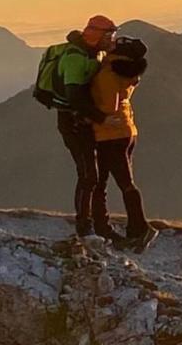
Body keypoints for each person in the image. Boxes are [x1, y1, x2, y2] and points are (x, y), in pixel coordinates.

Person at [52, 15, 124, 238]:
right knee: (88, 176)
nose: (111, 39)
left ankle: (99, 226)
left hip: (83, 122)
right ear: (97, 35)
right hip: (74, 124)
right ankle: (84, 227)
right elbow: (75, 97)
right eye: (108, 34)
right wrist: (102, 118)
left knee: (94, 176)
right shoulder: (75, 58)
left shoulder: (91, 54)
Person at [89, 35, 158, 252]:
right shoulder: (125, 72)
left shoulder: (109, 74)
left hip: (109, 135)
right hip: (126, 131)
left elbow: (107, 107)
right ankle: (134, 229)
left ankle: (138, 229)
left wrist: (86, 116)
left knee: (108, 183)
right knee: (124, 182)